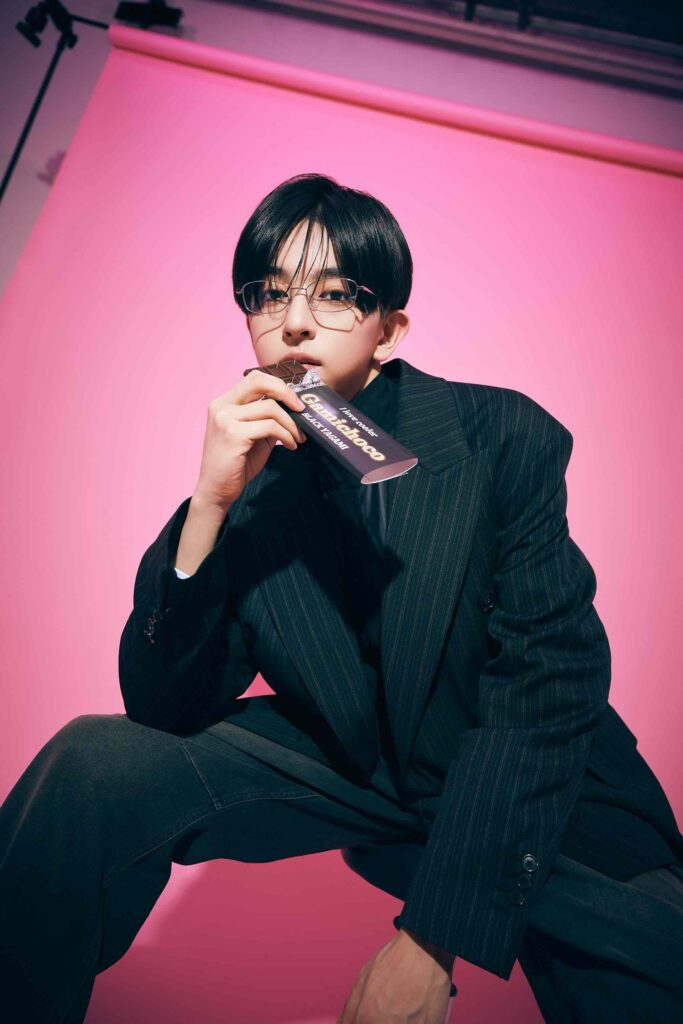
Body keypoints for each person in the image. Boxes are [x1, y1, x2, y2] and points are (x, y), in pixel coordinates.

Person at [1, 172, 682, 1024]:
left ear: (387, 329)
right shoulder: (251, 476)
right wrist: (210, 503)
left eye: (332, 294)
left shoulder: (500, 433)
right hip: (354, 764)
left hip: (536, 785)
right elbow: (164, 706)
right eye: (269, 293)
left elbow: (546, 689)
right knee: (93, 764)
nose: (293, 321)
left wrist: (432, 936)